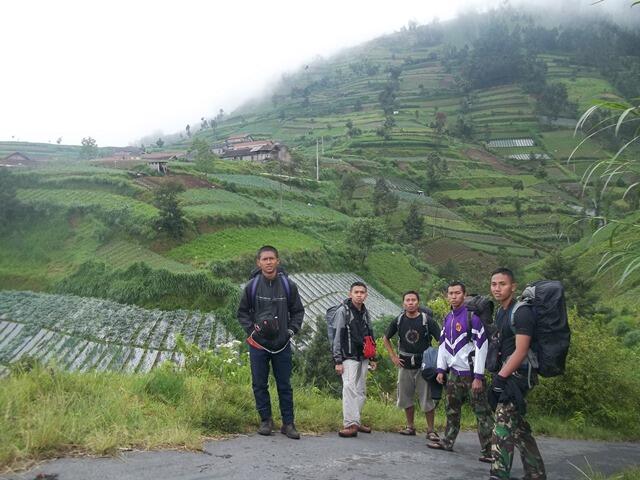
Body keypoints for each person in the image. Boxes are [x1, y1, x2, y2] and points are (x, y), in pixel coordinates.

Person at [237, 245, 305, 439]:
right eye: (264, 259)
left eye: (271, 259)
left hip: (282, 344)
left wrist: (290, 331)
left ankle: (288, 423)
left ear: (278, 261)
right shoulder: (251, 287)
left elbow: (298, 311)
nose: (268, 262)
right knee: (259, 383)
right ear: (259, 263)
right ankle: (266, 420)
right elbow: (242, 313)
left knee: (285, 384)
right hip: (258, 345)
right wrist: (252, 332)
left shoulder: (288, 286)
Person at [489, 268, 546, 480]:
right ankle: (536, 473)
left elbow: (521, 351)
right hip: (509, 372)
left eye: (502, 284)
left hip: (519, 376)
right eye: (494, 284)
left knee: (502, 427)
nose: (497, 288)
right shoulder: (502, 311)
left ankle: (498, 474)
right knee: (519, 427)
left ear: (513, 286)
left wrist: (500, 379)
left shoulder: (521, 312)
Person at [428, 281, 494, 464]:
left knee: (482, 414)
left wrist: (479, 376)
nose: (454, 296)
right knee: (451, 410)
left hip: (472, 375)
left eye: (457, 293)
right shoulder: (448, 318)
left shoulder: (472, 317)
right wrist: (441, 369)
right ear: (447, 295)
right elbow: (442, 345)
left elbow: (482, 346)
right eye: (451, 293)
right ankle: (448, 441)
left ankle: (489, 451)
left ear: (464, 295)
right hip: (454, 374)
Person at [383, 290, 441, 440]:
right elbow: (386, 338)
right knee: (405, 397)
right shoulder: (399, 320)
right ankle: (410, 427)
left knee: (426, 398)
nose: (410, 303)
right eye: (407, 300)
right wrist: (393, 357)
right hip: (405, 364)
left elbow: (442, 339)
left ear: (418, 302)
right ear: (403, 303)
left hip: (423, 366)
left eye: (413, 300)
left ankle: (431, 430)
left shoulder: (427, 320)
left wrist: (438, 360)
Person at [333, 281, 377, 438]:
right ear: (350, 294)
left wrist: (373, 357)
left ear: (366, 295)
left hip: (363, 357)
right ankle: (350, 423)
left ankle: (356, 421)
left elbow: (370, 334)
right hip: (348, 356)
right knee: (349, 388)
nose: (359, 295)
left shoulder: (365, 312)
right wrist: (338, 360)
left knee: (361, 390)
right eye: (356, 292)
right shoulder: (343, 311)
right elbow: (337, 336)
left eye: (362, 292)